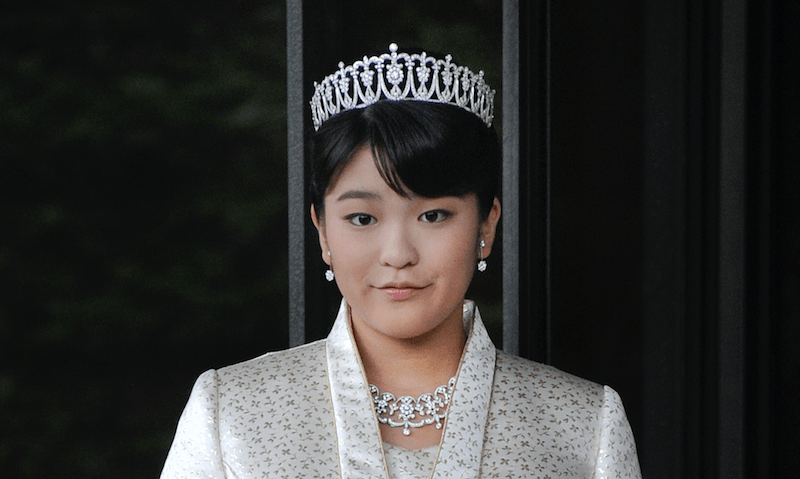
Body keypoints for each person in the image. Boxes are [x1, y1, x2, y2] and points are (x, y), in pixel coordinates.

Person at [160, 43, 642, 478]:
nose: (398, 254)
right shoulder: (232, 412)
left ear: (486, 225)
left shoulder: (582, 425)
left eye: (433, 215)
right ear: (323, 230)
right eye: (363, 218)